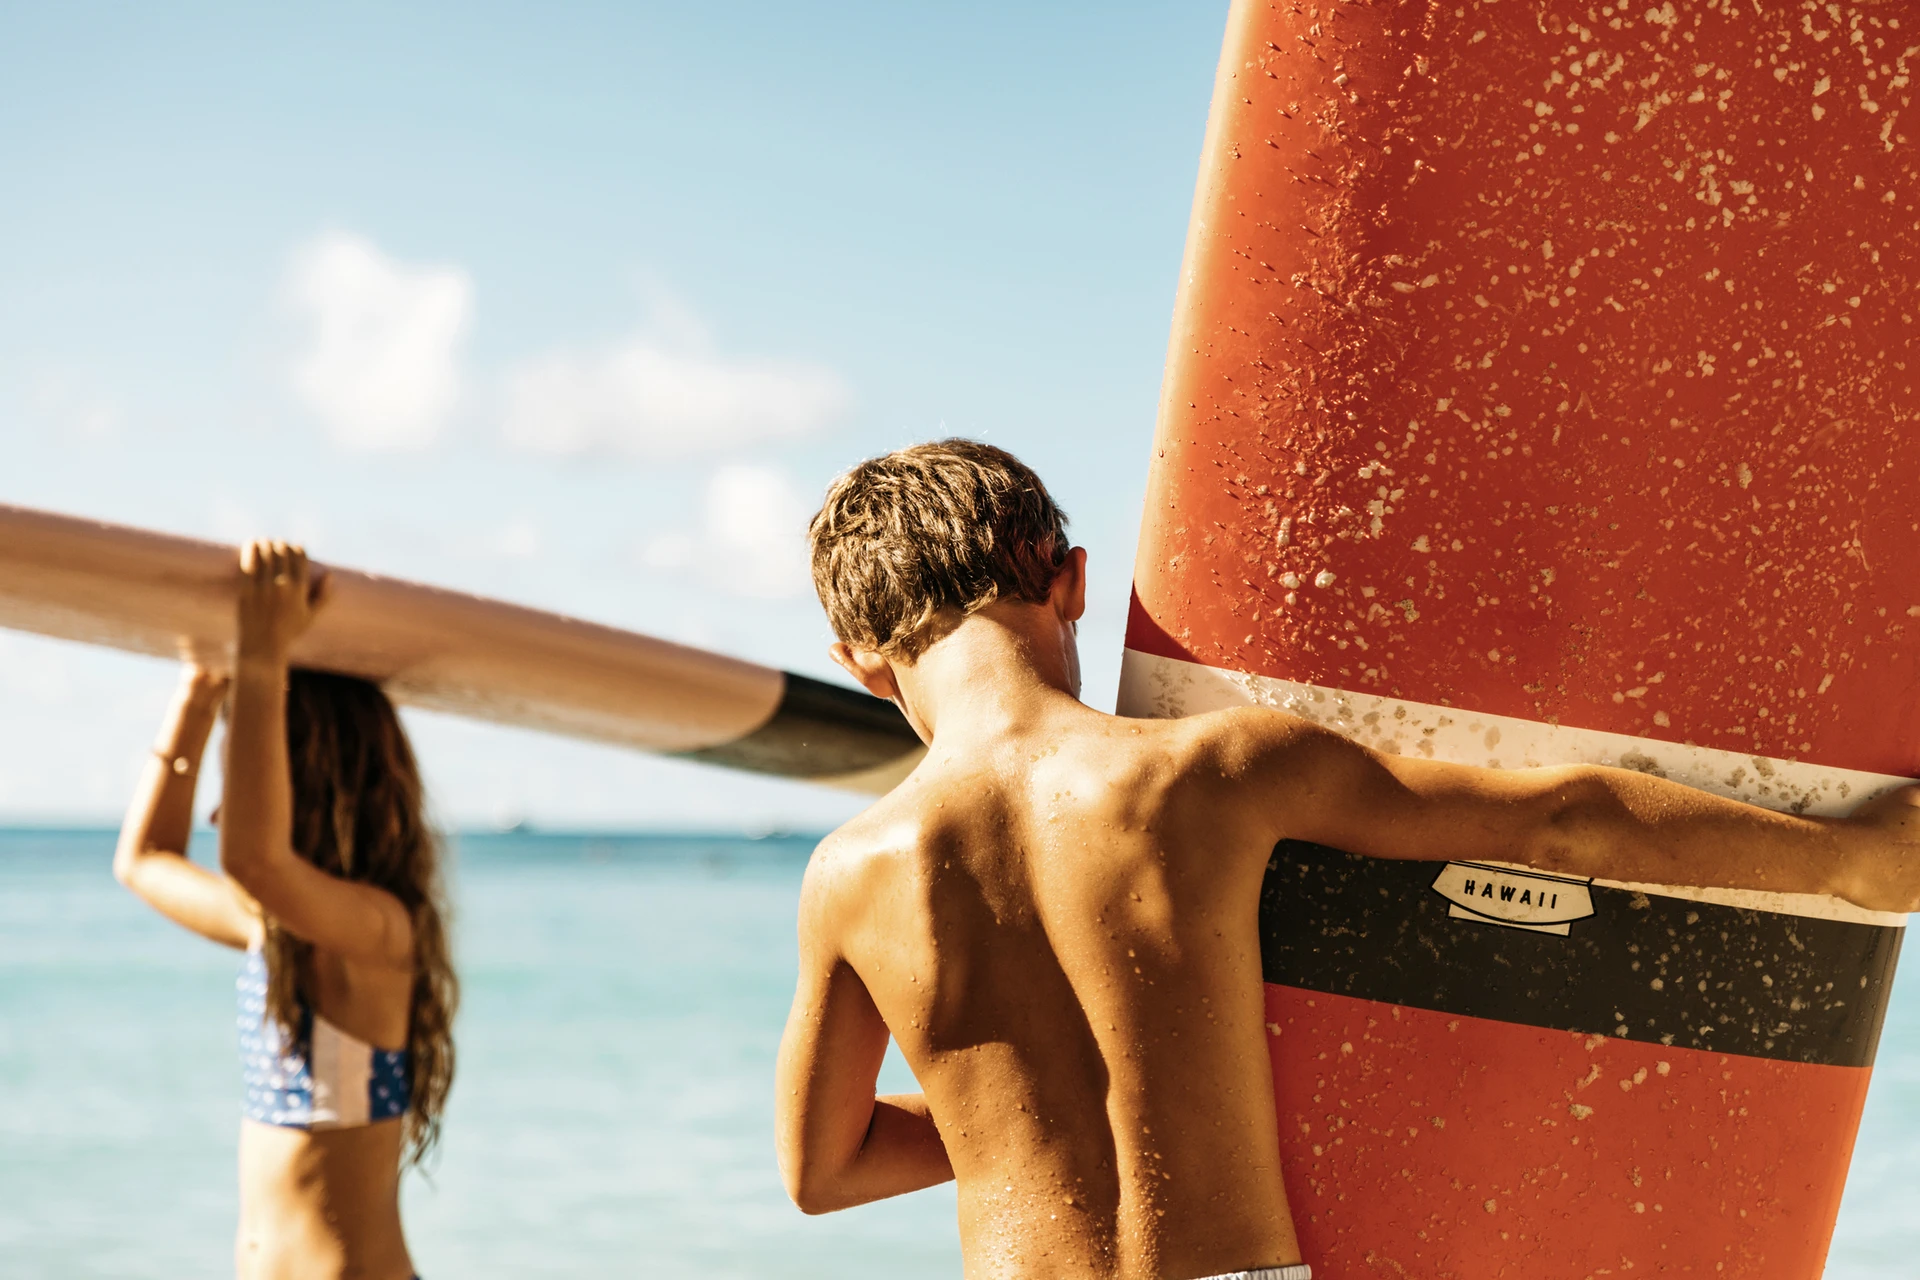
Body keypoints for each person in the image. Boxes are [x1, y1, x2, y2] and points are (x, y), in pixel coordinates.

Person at [774, 439, 1920, 1280]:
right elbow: (1559, 821)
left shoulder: (851, 873)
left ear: (862, 659)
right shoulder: (1204, 771)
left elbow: (824, 1170)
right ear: (1070, 578)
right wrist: (1852, 859)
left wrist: (1004, 1105)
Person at [114, 540, 456, 1280]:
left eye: (243, 777)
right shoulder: (274, 930)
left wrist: (263, 653)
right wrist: (200, 692)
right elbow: (142, 861)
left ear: (305, 782)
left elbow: (254, 857)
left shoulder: (380, 933)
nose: (217, 813)